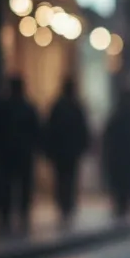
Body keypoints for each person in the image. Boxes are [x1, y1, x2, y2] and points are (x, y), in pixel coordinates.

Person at [0, 77, 40, 234]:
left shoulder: (4, 107)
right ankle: (20, 215)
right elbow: (36, 132)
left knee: (7, 187)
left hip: (8, 155)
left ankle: (7, 217)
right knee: (20, 187)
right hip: (20, 154)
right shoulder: (27, 108)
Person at [45, 79, 90, 224]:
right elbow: (83, 130)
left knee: (63, 178)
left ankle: (65, 203)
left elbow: (50, 129)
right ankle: (67, 203)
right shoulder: (75, 107)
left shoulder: (59, 107)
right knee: (69, 177)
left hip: (63, 151)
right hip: (70, 151)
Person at [102, 88, 130, 217]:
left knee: (121, 192)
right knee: (124, 190)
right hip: (126, 163)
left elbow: (108, 141)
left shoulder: (116, 119)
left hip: (119, 163)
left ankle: (122, 210)